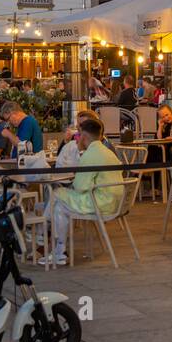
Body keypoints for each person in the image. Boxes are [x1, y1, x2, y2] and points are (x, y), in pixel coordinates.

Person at [42, 114, 124, 266]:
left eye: (78, 135)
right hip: (116, 201)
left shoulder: (90, 155)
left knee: (58, 197)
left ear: (84, 136)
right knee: (59, 201)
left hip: (101, 204)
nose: (77, 139)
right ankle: (52, 242)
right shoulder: (107, 152)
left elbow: (80, 187)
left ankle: (52, 243)